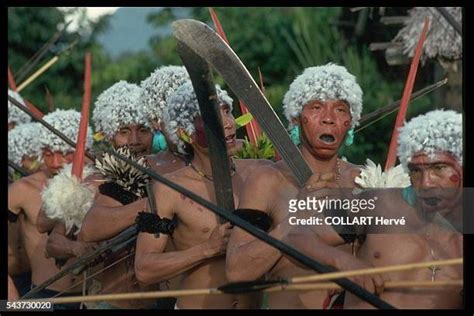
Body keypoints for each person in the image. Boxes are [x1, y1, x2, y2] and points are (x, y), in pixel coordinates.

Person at [284, 109, 463, 309]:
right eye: (416, 171)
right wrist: (347, 264)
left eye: (438, 168)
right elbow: (298, 237)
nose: (426, 183)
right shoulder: (381, 204)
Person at [226, 63, 365, 309]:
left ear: (350, 121)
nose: (329, 119)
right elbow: (237, 270)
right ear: (296, 118)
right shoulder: (267, 181)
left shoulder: (363, 180)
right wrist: (294, 220)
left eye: (340, 109)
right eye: (316, 107)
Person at [134, 81, 271, 309]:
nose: (227, 124)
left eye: (227, 112)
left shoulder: (261, 173)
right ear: (185, 134)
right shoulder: (170, 189)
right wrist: (206, 249)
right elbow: (144, 269)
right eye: (213, 117)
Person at [8, 109, 93, 309]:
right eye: (48, 154)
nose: (56, 163)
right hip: (44, 297)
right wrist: (11, 295)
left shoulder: (99, 185)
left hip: (92, 296)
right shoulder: (22, 190)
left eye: (66, 154)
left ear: (82, 150)